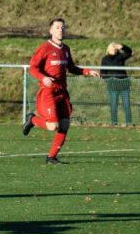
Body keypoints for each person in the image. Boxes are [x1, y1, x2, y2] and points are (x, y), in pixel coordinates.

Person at [22, 18, 100, 164]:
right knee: (53, 126)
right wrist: (42, 77)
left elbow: (72, 68)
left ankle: (51, 157)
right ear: (51, 30)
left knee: (64, 124)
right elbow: (33, 67)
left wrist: (88, 71)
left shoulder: (65, 49)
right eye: (57, 27)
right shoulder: (45, 48)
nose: (61, 30)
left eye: (63, 27)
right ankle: (32, 120)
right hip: (48, 91)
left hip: (62, 92)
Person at [100, 43, 133, 126]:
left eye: (116, 48)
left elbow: (129, 52)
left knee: (126, 105)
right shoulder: (105, 59)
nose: (114, 50)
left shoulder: (120, 56)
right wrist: (109, 81)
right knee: (114, 105)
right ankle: (114, 123)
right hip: (113, 86)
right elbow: (103, 73)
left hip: (124, 84)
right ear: (108, 49)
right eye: (113, 48)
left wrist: (122, 46)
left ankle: (129, 123)